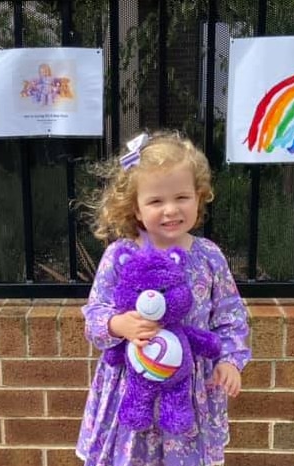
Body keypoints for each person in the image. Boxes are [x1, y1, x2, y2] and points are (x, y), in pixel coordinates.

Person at [76, 130, 251, 466]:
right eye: (156, 201)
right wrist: (117, 324)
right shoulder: (120, 255)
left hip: (188, 389)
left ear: (199, 198)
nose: (170, 210)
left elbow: (230, 316)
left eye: (182, 197)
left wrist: (230, 360)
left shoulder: (209, 257)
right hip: (132, 386)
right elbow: (95, 312)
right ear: (136, 209)